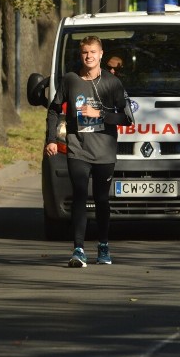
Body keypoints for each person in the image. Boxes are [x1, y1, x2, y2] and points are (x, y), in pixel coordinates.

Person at [45, 36, 133, 267]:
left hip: (104, 150)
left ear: (101, 54)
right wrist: (51, 139)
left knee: (102, 199)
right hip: (78, 148)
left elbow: (127, 118)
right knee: (80, 197)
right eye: (85, 52)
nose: (89, 56)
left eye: (93, 52)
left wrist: (101, 116)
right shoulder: (70, 80)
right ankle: (79, 249)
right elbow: (54, 110)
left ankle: (103, 246)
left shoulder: (112, 83)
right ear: (80, 54)